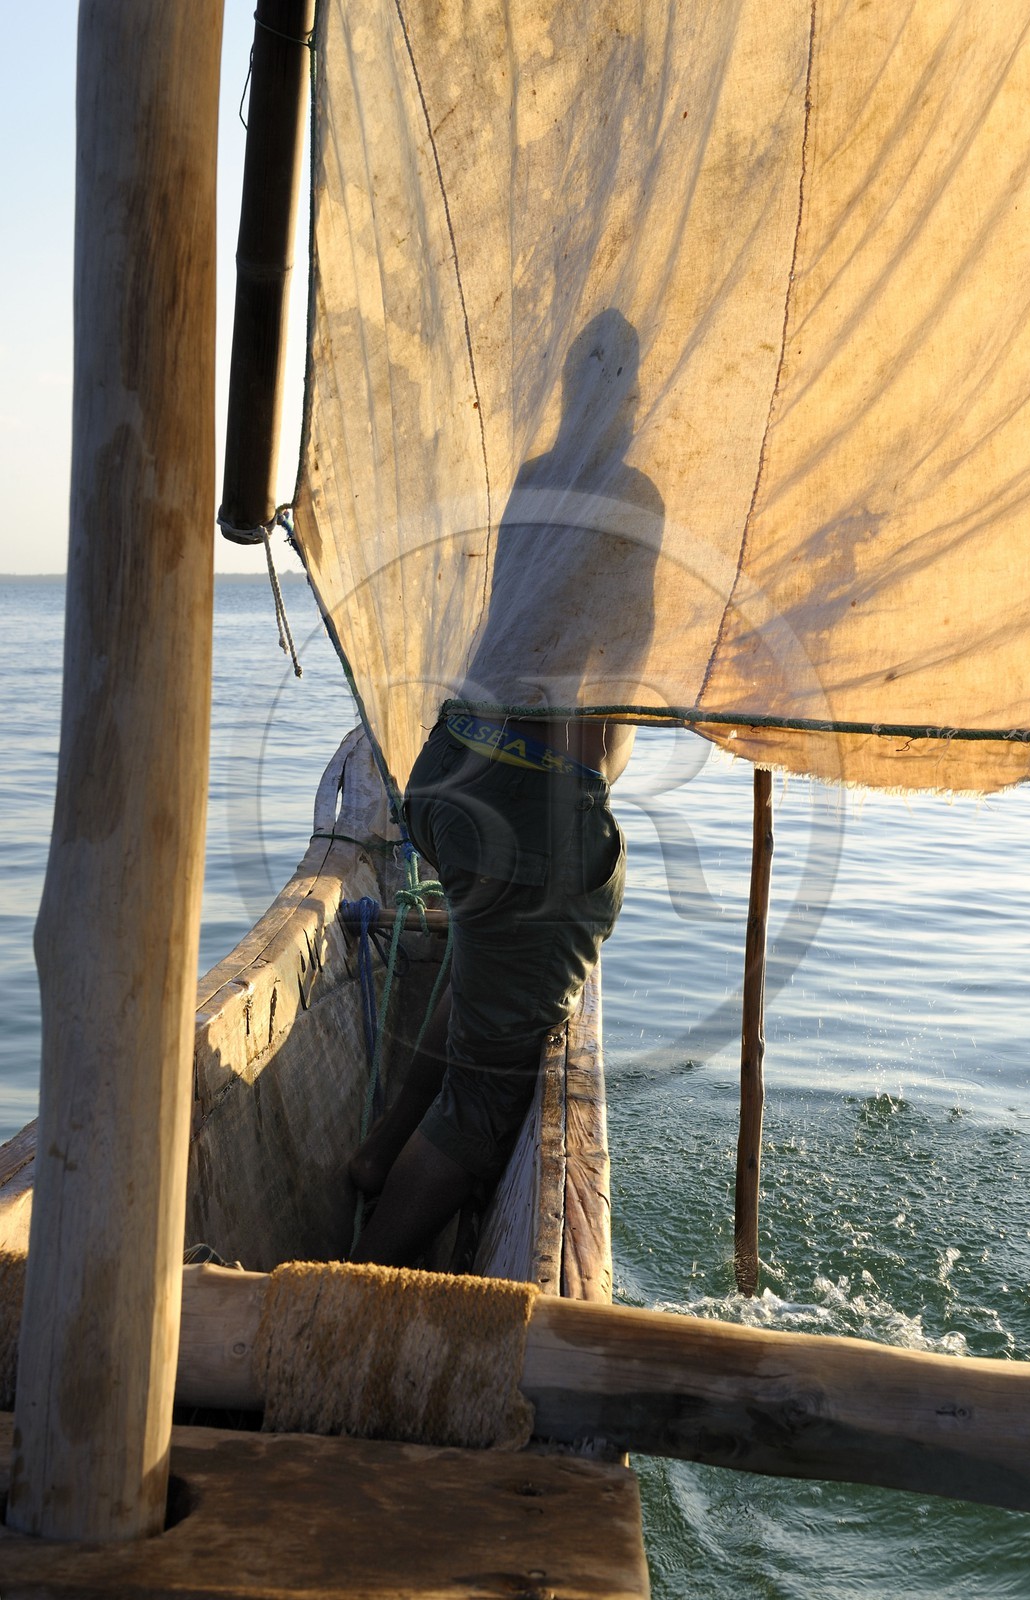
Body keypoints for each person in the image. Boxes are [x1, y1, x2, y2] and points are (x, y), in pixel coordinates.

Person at [350, 311, 663, 1265]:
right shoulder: (636, 498)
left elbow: (517, 635)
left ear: (570, 396)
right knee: (485, 1107)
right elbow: (623, 684)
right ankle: (352, 1287)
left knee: (487, 954)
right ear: (635, 403)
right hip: (522, 804)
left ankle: (371, 1159)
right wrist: (588, 801)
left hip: (445, 772)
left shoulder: (533, 478)